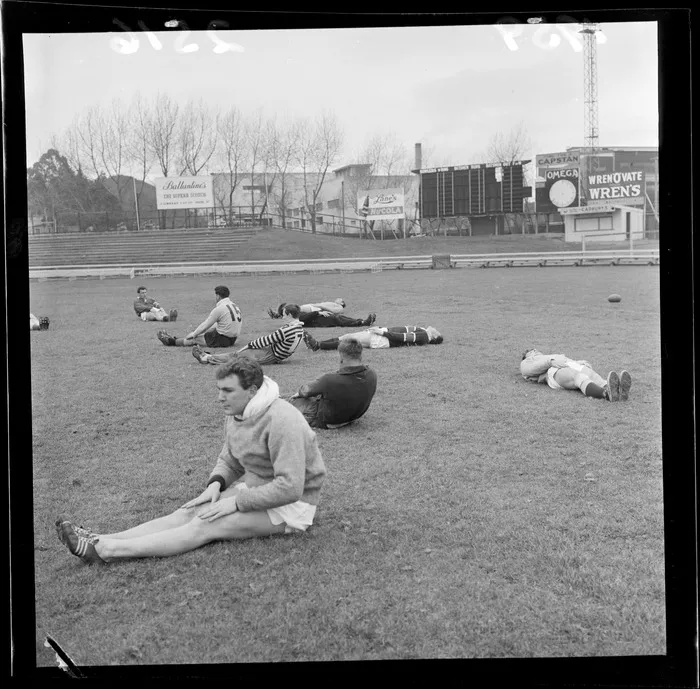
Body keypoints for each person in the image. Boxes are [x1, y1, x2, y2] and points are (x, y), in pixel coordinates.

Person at [55, 356, 327, 565]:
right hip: (256, 490)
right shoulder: (237, 412)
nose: (220, 397)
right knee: (187, 512)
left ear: (253, 390)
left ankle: (105, 551)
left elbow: (290, 487)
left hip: (293, 506)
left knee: (205, 524)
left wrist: (235, 502)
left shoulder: (283, 419)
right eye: (219, 389)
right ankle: (99, 538)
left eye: (228, 390)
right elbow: (231, 458)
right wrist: (215, 485)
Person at [287, 338, 378, 429]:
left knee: (293, 401)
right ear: (360, 356)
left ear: (341, 357)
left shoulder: (329, 379)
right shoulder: (372, 374)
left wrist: (299, 393)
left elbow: (306, 391)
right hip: (354, 416)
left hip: (328, 420)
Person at [192, 304, 304, 366]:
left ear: (289, 315)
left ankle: (207, 358)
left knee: (239, 358)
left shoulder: (287, 330)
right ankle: (208, 356)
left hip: (271, 355)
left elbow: (265, 340)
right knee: (237, 355)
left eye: (284, 314)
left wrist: (248, 346)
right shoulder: (299, 329)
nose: (283, 317)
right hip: (274, 353)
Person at [520, 348, 632, 401]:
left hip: (567, 365)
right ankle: (606, 394)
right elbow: (528, 370)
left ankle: (615, 390)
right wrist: (551, 362)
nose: (535, 350)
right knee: (577, 376)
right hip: (553, 372)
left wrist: (578, 362)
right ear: (528, 355)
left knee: (590, 374)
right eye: (531, 351)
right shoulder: (527, 361)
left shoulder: (547, 355)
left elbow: (564, 360)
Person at [157, 285, 241, 348]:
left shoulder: (219, 309)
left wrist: (194, 334)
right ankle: (176, 339)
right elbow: (216, 325)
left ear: (218, 296)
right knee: (207, 332)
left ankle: (171, 341)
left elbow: (205, 325)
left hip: (222, 339)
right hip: (232, 339)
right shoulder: (235, 306)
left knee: (194, 339)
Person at [303, 325, 443, 351]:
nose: (435, 327)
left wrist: (382, 333)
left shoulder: (424, 336)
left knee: (349, 339)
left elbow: (403, 337)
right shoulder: (424, 333)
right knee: (347, 337)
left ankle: (317, 345)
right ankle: (318, 344)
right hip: (384, 337)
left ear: (434, 336)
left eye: (437, 331)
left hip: (383, 339)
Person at [289, 304, 377, 329]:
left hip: (319, 318)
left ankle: (362, 321)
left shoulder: (297, 315)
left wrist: (319, 312)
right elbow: (304, 318)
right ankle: (363, 322)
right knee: (337, 319)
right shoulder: (296, 319)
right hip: (318, 321)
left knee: (338, 317)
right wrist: (318, 313)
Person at [267, 298, 346, 319]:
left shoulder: (340, 307)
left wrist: (320, 306)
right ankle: (279, 315)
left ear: (342, 303)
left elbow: (334, 311)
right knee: (296, 309)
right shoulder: (335, 304)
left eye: (341, 299)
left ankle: (279, 314)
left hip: (315, 308)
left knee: (295, 309)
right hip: (314, 307)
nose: (339, 298)